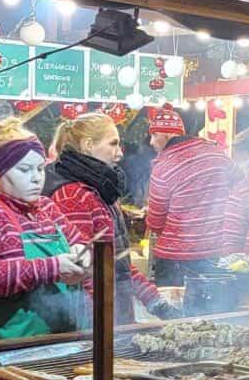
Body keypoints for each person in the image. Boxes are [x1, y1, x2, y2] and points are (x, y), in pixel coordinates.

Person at [0, 118, 89, 344]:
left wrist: (84, 253)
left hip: (50, 342)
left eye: (40, 168)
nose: (36, 178)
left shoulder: (47, 209)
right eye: (24, 169)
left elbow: (80, 242)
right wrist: (52, 267)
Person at [44, 113, 179, 324]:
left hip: (115, 315)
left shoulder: (100, 191)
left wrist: (155, 302)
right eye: (113, 144)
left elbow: (118, 261)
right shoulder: (72, 195)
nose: (120, 152)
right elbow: (84, 269)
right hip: (96, 323)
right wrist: (100, 326)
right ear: (89, 145)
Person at [147, 103, 249, 286]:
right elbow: (239, 179)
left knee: (176, 311)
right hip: (212, 256)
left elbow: (154, 223)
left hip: (174, 261)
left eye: (154, 135)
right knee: (210, 309)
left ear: (168, 135)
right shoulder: (216, 153)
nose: (151, 142)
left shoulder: (163, 167)